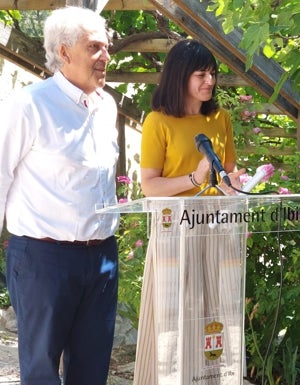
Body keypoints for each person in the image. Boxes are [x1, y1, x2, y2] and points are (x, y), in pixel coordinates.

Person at [0, 6, 120, 385]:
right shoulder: (30, 104)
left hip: (102, 258)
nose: (106, 57)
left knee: (91, 371)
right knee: (41, 371)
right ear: (64, 51)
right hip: (43, 258)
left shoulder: (107, 107)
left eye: (107, 47)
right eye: (95, 47)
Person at [134, 39, 244, 384]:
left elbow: (227, 175)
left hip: (215, 229)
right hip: (173, 231)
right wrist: (193, 178)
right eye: (201, 74)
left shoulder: (220, 119)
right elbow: (149, 186)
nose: (209, 81)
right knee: (173, 314)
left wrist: (235, 184)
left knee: (214, 311)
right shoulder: (157, 121)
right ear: (179, 76)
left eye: (212, 73)